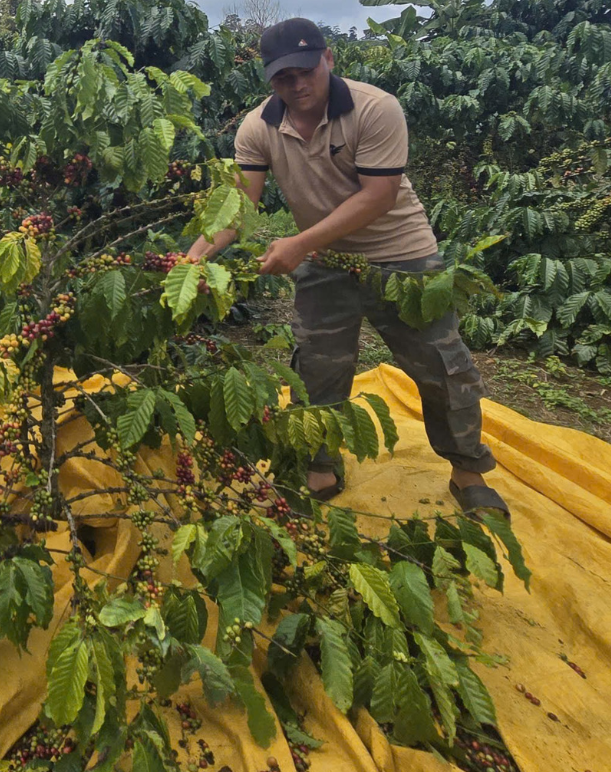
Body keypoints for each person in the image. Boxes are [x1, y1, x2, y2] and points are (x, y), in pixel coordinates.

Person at [186, 18, 508, 517]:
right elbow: (238, 209)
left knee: (442, 367)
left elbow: (378, 197)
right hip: (322, 261)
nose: (297, 84)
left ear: (328, 59)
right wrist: (191, 261)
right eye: (282, 77)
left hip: (402, 257)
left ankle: (467, 471)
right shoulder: (258, 128)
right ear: (269, 80)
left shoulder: (375, 108)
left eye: (305, 70)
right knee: (318, 366)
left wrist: (298, 243)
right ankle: (320, 460)